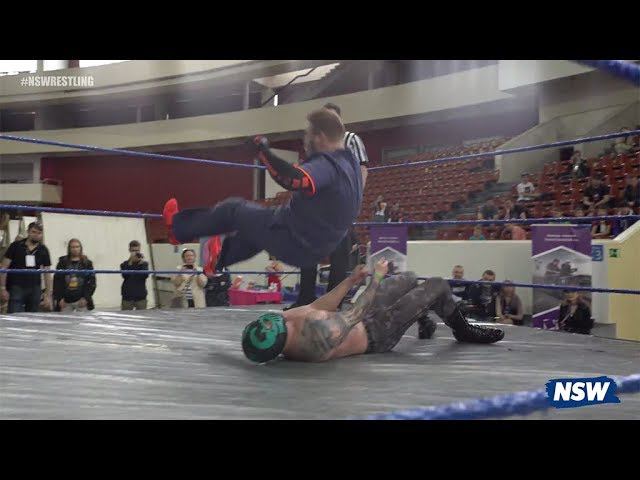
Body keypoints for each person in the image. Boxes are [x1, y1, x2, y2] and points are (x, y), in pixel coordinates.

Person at [164, 108, 363, 272]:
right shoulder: (351, 164)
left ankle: (177, 229)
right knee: (255, 227)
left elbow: (294, 179)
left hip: (295, 240)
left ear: (319, 137)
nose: (305, 140)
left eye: (307, 134)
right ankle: (216, 261)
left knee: (233, 209)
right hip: (315, 247)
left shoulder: (328, 163)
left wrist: (263, 152)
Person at [240, 259, 505, 364]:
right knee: (437, 285)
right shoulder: (317, 337)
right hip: (376, 332)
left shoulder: (284, 322)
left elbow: (319, 306)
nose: (277, 318)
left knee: (409, 278)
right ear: (280, 337)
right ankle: (463, 330)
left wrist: (351, 281)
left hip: (361, 316)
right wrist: (376, 278)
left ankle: (423, 319)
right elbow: (357, 312)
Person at [285, 103, 369, 311]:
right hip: (318, 202)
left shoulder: (351, 139)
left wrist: (354, 198)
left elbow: (362, 168)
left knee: (339, 252)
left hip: (339, 201)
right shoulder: (318, 142)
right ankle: (305, 298)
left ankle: (333, 302)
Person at [0, 222, 53, 313]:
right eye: (34, 232)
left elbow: (47, 272)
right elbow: (4, 267)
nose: (36, 235)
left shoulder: (43, 249)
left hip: (35, 288)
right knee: (14, 316)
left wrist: (48, 294)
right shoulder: (16, 246)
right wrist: (2, 288)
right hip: (16, 286)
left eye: (39, 233)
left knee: (33, 318)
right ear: (28, 232)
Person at [53, 238, 96, 312]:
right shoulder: (62, 263)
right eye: (73, 247)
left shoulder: (87, 263)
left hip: (82, 301)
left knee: (84, 319)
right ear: (69, 248)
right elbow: (57, 281)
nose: (75, 249)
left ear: (80, 248)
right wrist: (59, 298)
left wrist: (86, 298)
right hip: (65, 301)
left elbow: (91, 282)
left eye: (77, 247)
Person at [120, 240, 150, 310]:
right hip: (127, 296)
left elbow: (145, 276)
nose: (136, 253)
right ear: (129, 250)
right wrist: (130, 261)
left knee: (142, 316)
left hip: (140, 296)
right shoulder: (124, 264)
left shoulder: (144, 264)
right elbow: (125, 275)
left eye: (137, 250)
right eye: (133, 251)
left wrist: (141, 263)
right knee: (126, 315)